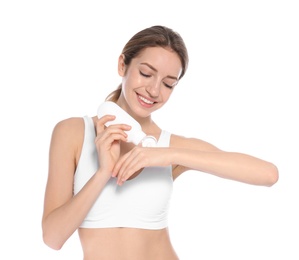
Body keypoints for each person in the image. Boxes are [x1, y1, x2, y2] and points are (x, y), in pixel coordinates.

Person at [42, 25, 279, 259]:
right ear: (122, 65)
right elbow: (52, 238)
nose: (154, 90)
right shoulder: (73, 133)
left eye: (168, 84)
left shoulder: (169, 146)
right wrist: (103, 172)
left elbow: (268, 175)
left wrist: (167, 155)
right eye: (146, 73)